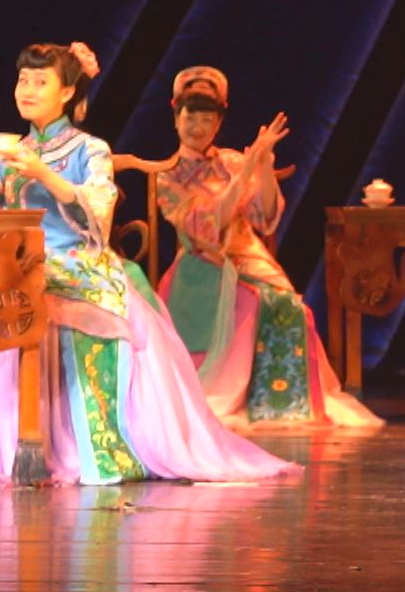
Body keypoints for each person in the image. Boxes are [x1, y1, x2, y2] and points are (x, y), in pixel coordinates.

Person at [0, 43, 298, 485]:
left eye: (41, 81)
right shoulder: (10, 150)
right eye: (23, 80)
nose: (27, 89)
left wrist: (44, 174)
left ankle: (80, 440)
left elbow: (97, 218)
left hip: (78, 258)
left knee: (55, 301)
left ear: (66, 93)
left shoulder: (89, 149)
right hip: (20, 260)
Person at [155, 67, 382, 428]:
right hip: (202, 264)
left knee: (290, 305)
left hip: (248, 256)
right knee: (250, 302)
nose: (197, 126)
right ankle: (238, 392)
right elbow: (204, 227)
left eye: (206, 119)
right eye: (190, 117)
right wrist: (244, 173)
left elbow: (263, 216)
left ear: (219, 123)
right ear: (175, 117)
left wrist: (261, 165)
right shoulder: (166, 173)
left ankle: (277, 399)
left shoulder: (230, 160)